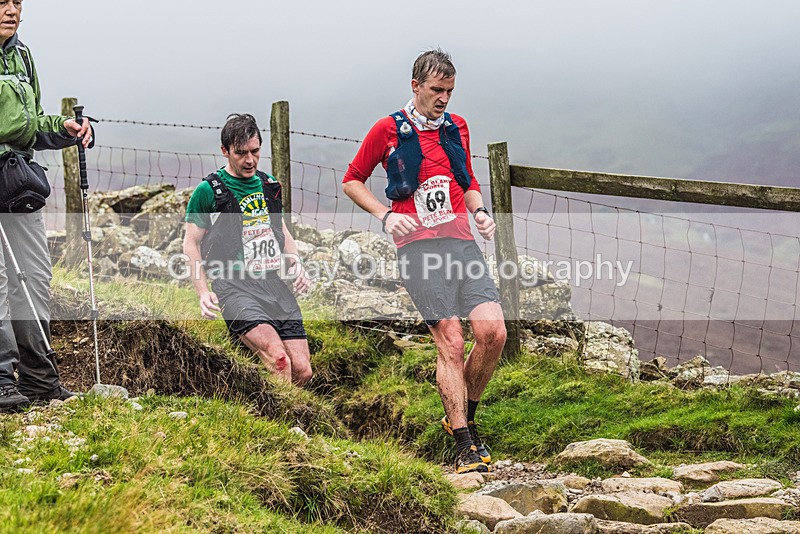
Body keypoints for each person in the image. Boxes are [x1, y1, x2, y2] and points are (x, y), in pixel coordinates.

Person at [342, 49, 507, 473]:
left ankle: (462, 418)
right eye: (436, 89)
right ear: (415, 86)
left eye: (450, 91)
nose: (444, 98)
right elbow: (351, 181)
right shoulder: (387, 129)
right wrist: (386, 215)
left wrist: (481, 212)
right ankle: (464, 443)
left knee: (494, 334)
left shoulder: (457, 127)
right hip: (417, 248)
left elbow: (467, 181)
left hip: (461, 243)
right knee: (450, 340)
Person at [0, 0, 93, 412]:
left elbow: (33, 121)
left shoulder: (22, 55)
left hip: (16, 179)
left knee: (34, 275)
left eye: (17, 2)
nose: (11, 10)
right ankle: (2, 380)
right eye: (3, 1)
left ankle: (39, 378)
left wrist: (63, 128)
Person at [183, 113, 313, 386]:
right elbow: (191, 243)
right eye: (241, 153)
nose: (250, 160)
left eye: (255, 151)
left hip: (273, 285)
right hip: (233, 286)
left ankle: (294, 423)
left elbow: (282, 230)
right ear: (225, 151)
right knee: (279, 362)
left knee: (303, 371)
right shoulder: (209, 191)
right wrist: (203, 291)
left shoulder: (269, 185)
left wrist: (295, 263)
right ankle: (278, 427)